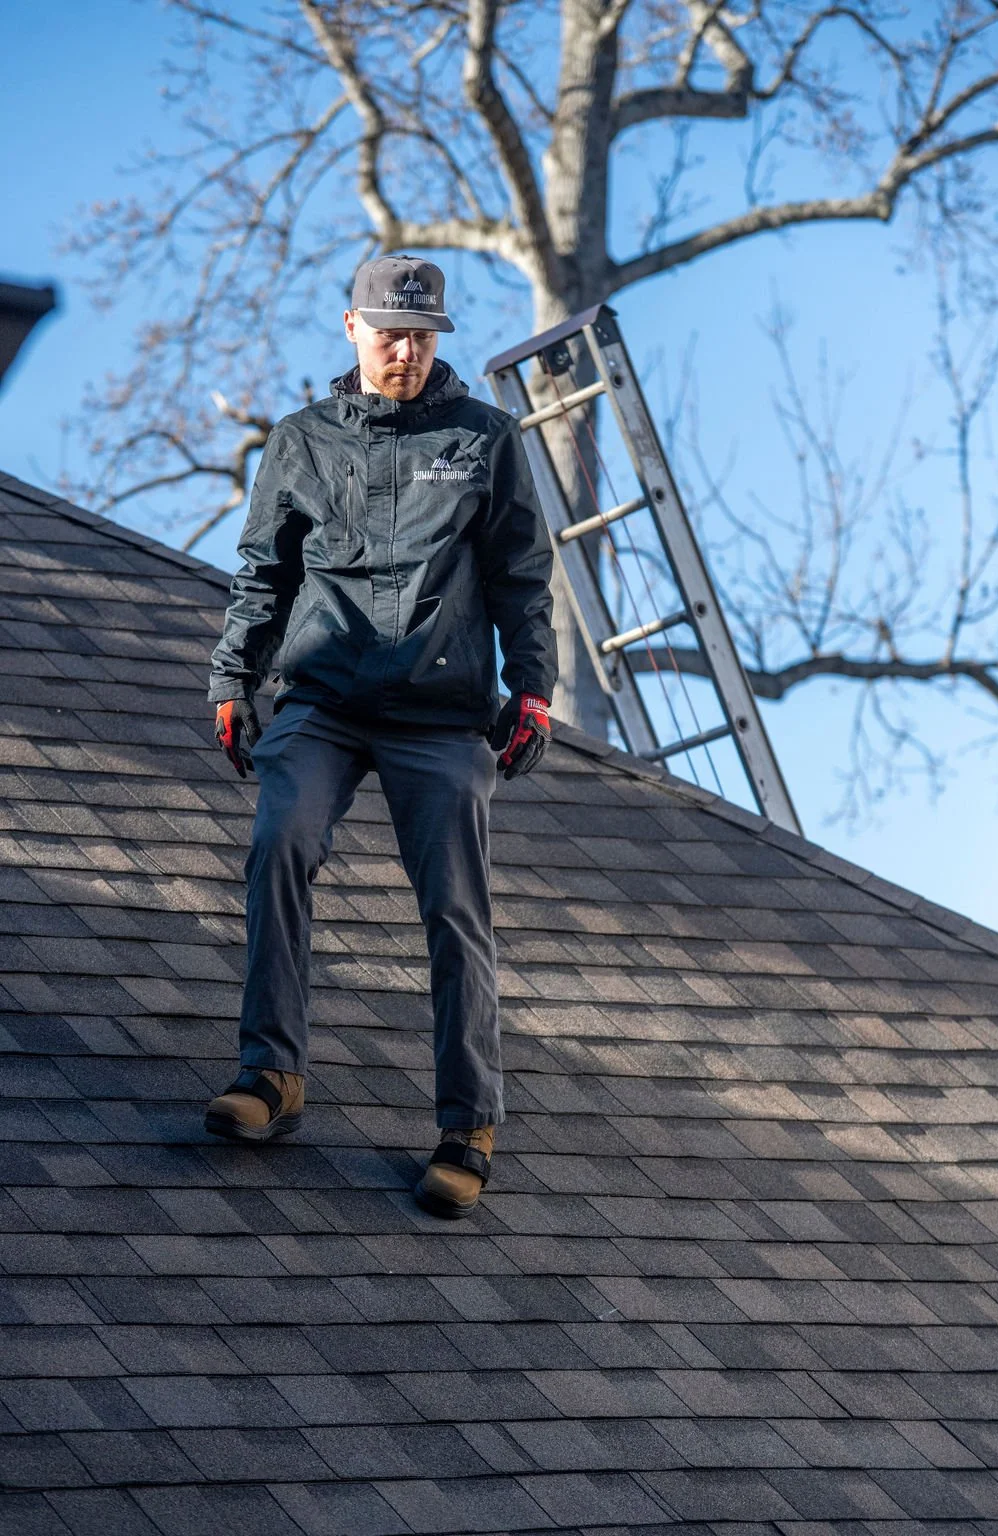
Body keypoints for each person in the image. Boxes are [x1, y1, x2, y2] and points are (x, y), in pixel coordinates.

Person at [204, 254, 557, 1218]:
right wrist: (235, 676)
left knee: (454, 906)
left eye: (423, 336)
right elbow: (264, 575)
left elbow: (524, 579)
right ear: (350, 328)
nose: (405, 350)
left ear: (437, 339)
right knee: (281, 839)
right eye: (389, 332)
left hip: (440, 717)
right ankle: (268, 1077)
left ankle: (465, 1126)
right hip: (323, 701)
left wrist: (533, 689)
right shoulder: (302, 441)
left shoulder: (483, 441)